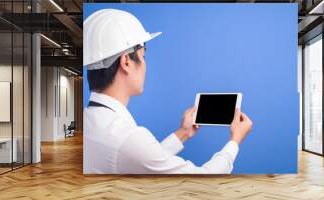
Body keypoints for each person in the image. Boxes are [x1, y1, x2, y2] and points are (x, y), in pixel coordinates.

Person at [83, 9, 252, 174]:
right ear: (126, 61)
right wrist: (235, 141)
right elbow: (203, 178)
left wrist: (183, 133)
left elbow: (142, 160)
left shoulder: (92, 119)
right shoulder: (127, 138)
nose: (144, 65)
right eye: (143, 57)